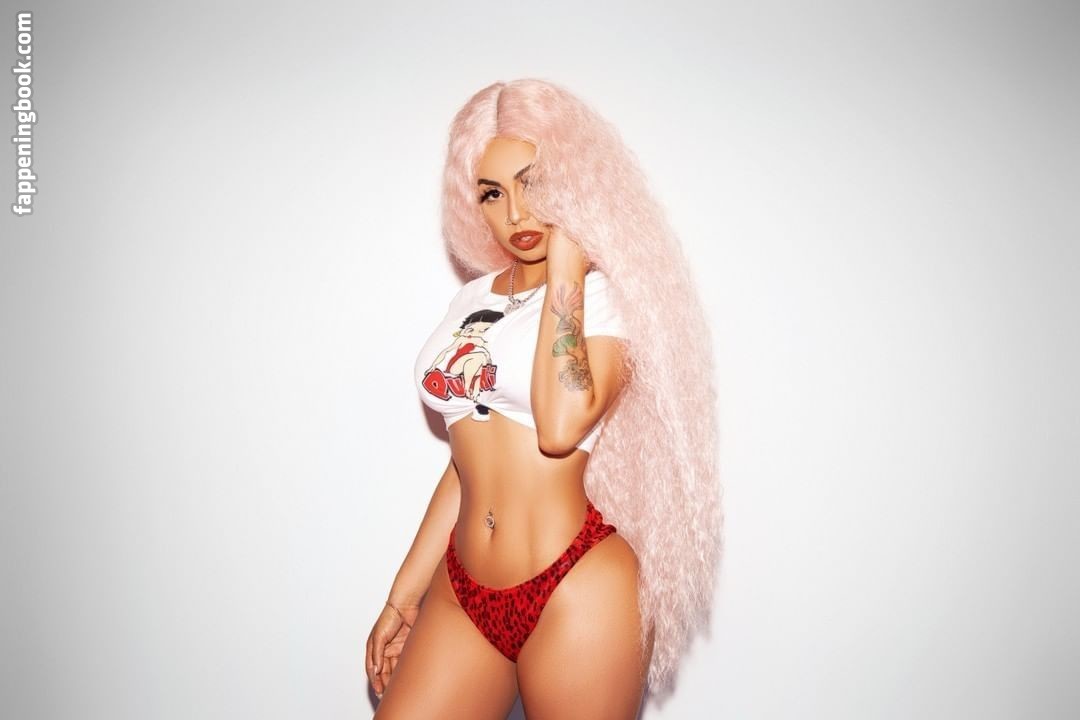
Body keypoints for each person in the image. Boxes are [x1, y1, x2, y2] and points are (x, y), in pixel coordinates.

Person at [366, 79, 723, 719]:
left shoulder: (604, 299)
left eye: (534, 184)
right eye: (492, 193)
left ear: (574, 181)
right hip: (463, 588)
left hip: (575, 587)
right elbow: (468, 459)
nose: (516, 214)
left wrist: (567, 264)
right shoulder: (471, 301)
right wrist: (404, 591)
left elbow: (559, 428)